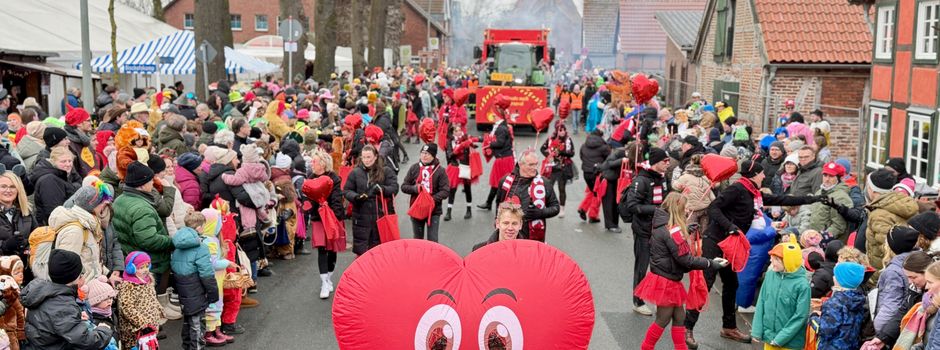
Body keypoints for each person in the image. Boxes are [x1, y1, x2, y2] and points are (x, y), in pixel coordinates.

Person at [684, 158, 823, 348]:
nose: (764, 175)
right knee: (706, 284)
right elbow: (713, 208)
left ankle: (729, 327)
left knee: (732, 283)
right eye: (761, 173)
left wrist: (812, 199)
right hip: (715, 241)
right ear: (754, 174)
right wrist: (731, 226)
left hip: (731, 245)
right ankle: (687, 328)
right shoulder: (737, 189)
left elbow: (781, 199)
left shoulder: (754, 193)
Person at [635, 193, 727, 349]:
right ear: (677, 209)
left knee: (679, 318)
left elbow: (673, 246)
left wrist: (687, 231)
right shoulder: (672, 231)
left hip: (665, 276)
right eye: (684, 208)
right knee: (663, 319)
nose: (687, 211)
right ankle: (646, 348)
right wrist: (710, 263)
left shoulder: (662, 224)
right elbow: (686, 259)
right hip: (667, 280)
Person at [112, 161, 179, 320]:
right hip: (149, 258)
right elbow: (148, 239)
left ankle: (162, 307)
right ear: (141, 185)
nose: (153, 183)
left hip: (132, 253)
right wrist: (171, 241)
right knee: (151, 290)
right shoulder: (141, 208)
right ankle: (156, 318)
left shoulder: (121, 199)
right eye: (150, 181)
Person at [21, 249, 113, 350]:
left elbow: (52, 322)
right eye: (81, 273)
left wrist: (76, 318)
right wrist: (103, 331)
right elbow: (84, 341)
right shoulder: (63, 305)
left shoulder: (43, 293)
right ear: (74, 276)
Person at [623, 147, 671, 316]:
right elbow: (632, 206)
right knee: (642, 266)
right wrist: (655, 210)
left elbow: (666, 199)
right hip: (643, 230)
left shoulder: (663, 178)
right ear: (656, 162)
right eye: (665, 161)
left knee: (659, 266)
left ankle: (658, 299)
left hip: (660, 230)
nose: (668, 164)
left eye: (668, 161)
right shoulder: (641, 181)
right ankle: (638, 300)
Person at [41, 183, 113, 283]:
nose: (104, 206)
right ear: (92, 206)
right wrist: (79, 291)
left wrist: (108, 274)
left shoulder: (87, 225)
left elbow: (90, 259)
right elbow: (66, 270)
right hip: (82, 291)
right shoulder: (75, 231)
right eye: (102, 203)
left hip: (92, 285)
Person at [170, 211, 221, 349]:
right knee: (197, 325)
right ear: (199, 228)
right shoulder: (201, 247)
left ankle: (186, 346)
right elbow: (206, 274)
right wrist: (213, 294)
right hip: (196, 289)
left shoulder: (177, 245)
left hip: (183, 289)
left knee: (188, 321)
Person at [751, 237, 811, 349]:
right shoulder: (770, 275)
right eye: (771, 258)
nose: (771, 261)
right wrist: (757, 330)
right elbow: (762, 302)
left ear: (788, 262)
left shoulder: (802, 285)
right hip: (769, 339)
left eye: (776, 259)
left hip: (790, 344)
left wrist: (780, 339)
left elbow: (800, 316)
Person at [868, 241, 930, 348]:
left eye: (913, 277)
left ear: (927, 272)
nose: (910, 282)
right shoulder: (914, 289)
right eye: (908, 277)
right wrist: (883, 337)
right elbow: (902, 312)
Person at [344, 145, 399, 256]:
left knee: (381, 252)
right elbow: (346, 190)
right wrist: (356, 197)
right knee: (362, 252)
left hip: (380, 216)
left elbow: (394, 188)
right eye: (364, 157)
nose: (366, 160)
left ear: (375, 157)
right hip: (361, 217)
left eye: (369, 157)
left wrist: (382, 189)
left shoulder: (386, 171)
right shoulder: (355, 172)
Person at [494, 150, 560, 242]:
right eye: (531, 165)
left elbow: (556, 207)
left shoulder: (544, 183)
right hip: (509, 235)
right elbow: (499, 206)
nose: (535, 168)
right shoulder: (505, 181)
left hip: (532, 237)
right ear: (520, 164)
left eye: (536, 164)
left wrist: (540, 213)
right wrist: (497, 225)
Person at [305, 150, 346, 299]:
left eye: (314, 161)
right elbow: (307, 198)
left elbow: (337, 198)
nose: (311, 164)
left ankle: (329, 277)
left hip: (331, 217)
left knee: (332, 249)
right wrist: (312, 206)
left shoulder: (334, 178)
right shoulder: (310, 178)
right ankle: (324, 282)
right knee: (322, 248)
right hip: (318, 218)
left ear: (322, 163)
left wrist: (332, 212)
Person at [808, 261, 870, 350]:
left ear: (841, 280)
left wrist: (813, 317)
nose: (833, 277)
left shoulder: (835, 303)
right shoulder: (859, 299)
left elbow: (824, 330)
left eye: (836, 276)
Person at [865, 169, 917, 272]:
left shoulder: (879, 216)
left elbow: (889, 249)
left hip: (883, 273)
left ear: (872, 189)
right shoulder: (898, 203)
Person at [401, 143, 450, 242]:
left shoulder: (440, 171)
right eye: (422, 153)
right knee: (418, 240)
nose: (424, 156)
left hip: (433, 210)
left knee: (433, 241)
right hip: (417, 209)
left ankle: (432, 258)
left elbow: (445, 191)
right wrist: (415, 189)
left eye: (427, 153)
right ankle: (419, 257)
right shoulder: (414, 168)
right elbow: (404, 187)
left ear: (433, 155)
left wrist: (430, 200)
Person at [116, 251, 164, 347]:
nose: (145, 270)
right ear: (131, 268)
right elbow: (127, 309)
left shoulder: (147, 280)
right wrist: (144, 323)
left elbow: (152, 298)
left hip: (150, 328)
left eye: (147, 266)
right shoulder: (128, 286)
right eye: (141, 268)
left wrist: (159, 309)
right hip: (136, 331)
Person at [478, 95, 515, 211]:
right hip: (502, 158)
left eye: (494, 115)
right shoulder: (501, 127)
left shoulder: (501, 129)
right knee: (496, 183)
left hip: (504, 159)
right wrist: (482, 140)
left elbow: (500, 142)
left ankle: (499, 205)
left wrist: (489, 143)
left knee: (502, 184)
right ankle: (489, 203)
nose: (492, 117)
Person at [802, 162, 853, 240]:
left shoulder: (841, 197)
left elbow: (838, 226)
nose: (827, 179)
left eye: (831, 176)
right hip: (813, 238)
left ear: (838, 178)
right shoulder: (819, 192)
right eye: (825, 175)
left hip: (828, 242)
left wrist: (820, 238)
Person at [31, 147, 81, 226]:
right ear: (53, 162)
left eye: (70, 161)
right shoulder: (49, 180)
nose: (68, 164)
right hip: (51, 227)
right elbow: (54, 211)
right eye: (63, 161)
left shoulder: (63, 175)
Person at [599, 142, 639, 233]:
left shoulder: (633, 157)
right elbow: (609, 163)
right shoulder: (619, 152)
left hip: (618, 180)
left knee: (616, 201)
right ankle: (610, 224)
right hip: (608, 179)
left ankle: (614, 223)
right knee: (609, 202)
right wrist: (621, 160)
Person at [443, 124, 479, 221]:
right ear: (452, 132)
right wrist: (458, 149)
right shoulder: (449, 141)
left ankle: (469, 210)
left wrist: (471, 142)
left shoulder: (465, 137)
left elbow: (475, 145)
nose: (458, 132)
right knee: (452, 189)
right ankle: (449, 211)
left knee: (467, 188)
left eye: (459, 130)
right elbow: (449, 155)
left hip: (465, 166)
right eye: (456, 131)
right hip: (455, 166)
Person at [540, 123, 575, 218]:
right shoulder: (550, 139)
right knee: (548, 187)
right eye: (560, 130)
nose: (562, 132)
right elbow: (542, 149)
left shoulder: (568, 139)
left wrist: (562, 152)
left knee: (561, 188)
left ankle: (562, 209)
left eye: (564, 130)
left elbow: (572, 153)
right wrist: (549, 156)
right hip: (552, 167)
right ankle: (546, 206)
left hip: (563, 167)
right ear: (557, 131)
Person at [577, 129, 611, 222]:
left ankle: (583, 208)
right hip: (597, 173)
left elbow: (581, 157)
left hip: (586, 173)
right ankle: (593, 215)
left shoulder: (584, 146)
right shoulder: (604, 147)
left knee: (592, 191)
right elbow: (609, 159)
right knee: (598, 193)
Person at [0, 172, 35, 259]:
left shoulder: (27, 213)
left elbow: (37, 242)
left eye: (12, 187)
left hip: (24, 267)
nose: (8, 190)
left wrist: (26, 251)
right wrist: (4, 246)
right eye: (3, 186)